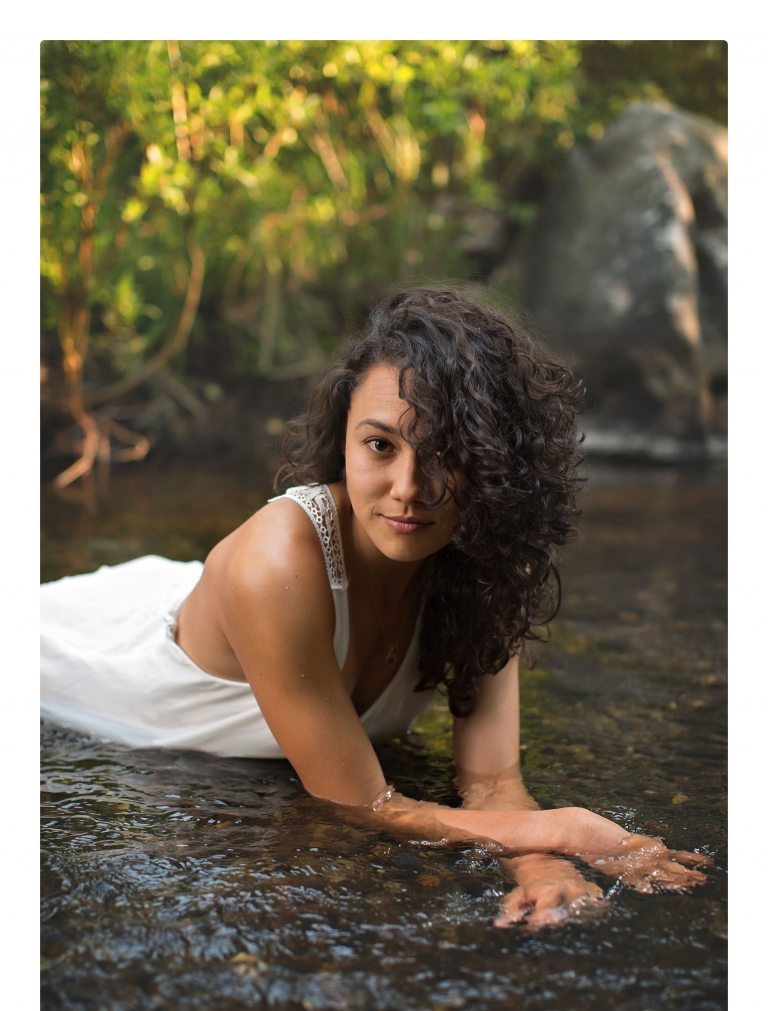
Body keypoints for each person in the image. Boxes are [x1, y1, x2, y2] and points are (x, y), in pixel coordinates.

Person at [41, 287, 709, 928]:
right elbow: (360, 804)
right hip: (75, 654)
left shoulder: (490, 561)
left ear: (495, 463)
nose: (408, 491)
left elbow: (492, 778)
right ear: (344, 442)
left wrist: (538, 866)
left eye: (446, 452)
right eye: (381, 445)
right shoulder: (274, 564)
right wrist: (563, 829)